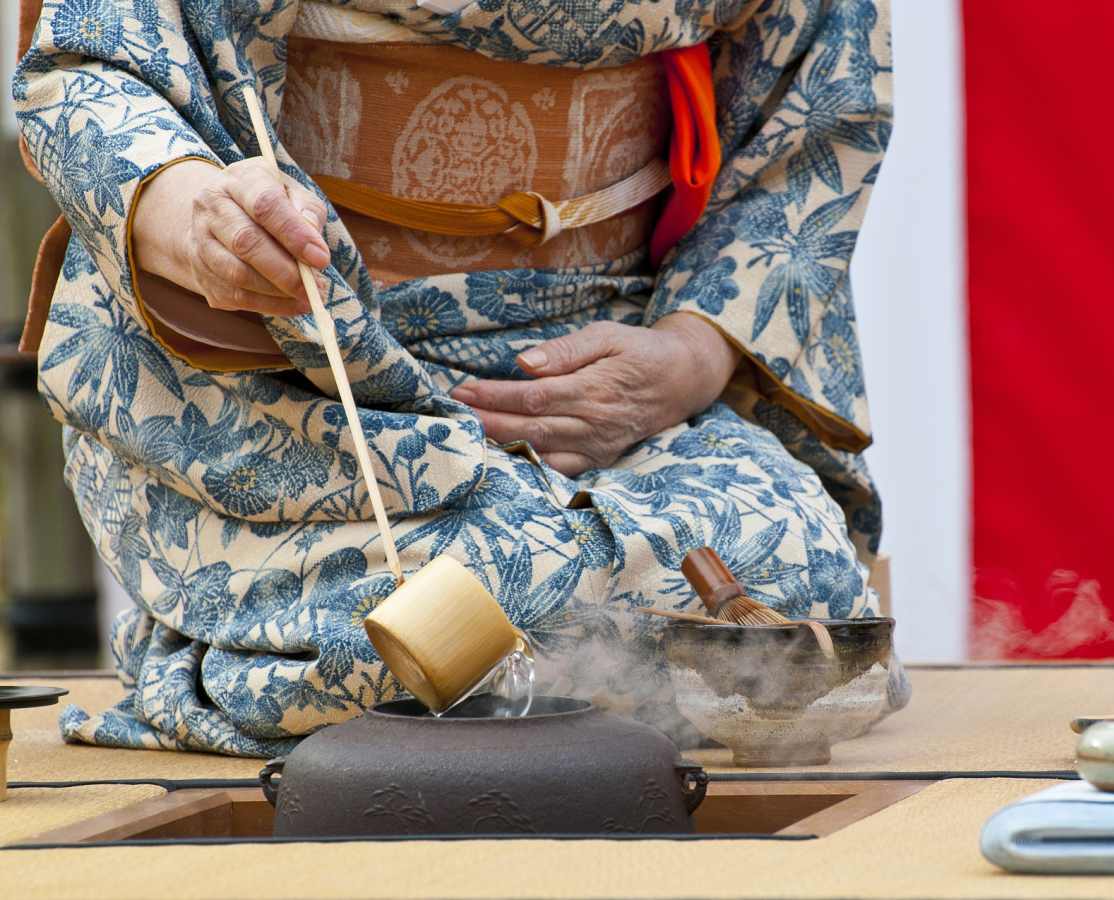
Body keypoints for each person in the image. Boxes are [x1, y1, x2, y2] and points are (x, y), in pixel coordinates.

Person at [13, 0, 897, 756]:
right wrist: (195, 218)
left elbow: (820, 94)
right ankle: (229, 645)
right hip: (295, 356)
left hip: (605, 353)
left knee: (796, 585)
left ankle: (265, 649)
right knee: (458, 625)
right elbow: (91, 66)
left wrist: (694, 351)